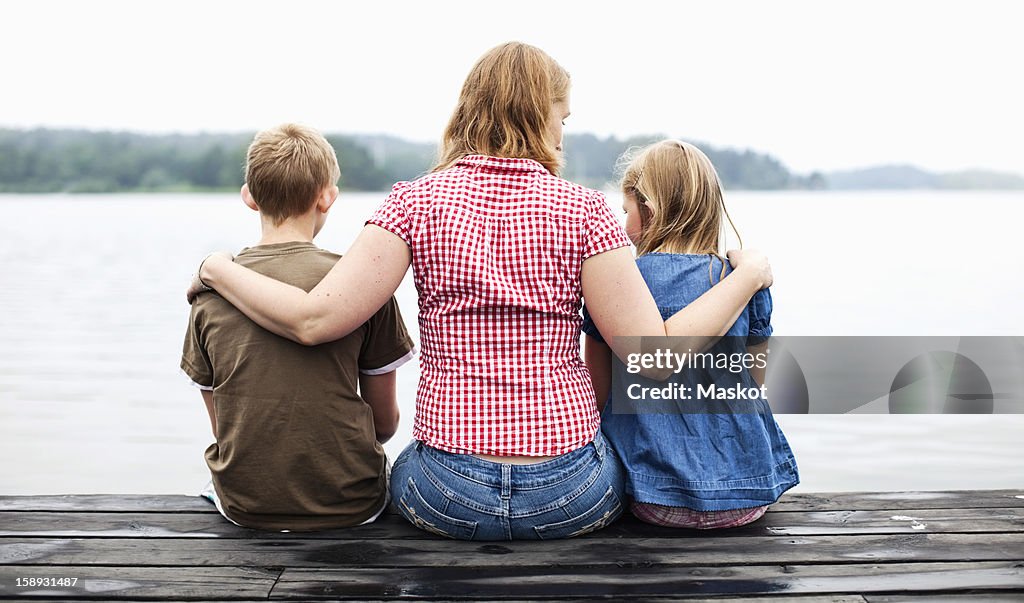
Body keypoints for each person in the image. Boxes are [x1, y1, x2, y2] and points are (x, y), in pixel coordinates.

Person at [187, 42, 773, 540]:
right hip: (570, 495)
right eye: (561, 119)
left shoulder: (412, 202)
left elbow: (314, 320)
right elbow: (656, 360)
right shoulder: (589, 213)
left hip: (446, 493)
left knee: (401, 471)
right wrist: (746, 274)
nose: (563, 135)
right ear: (537, 116)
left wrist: (218, 270)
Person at [180, 123, 414, 531]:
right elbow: (384, 424)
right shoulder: (360, 286)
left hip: (244, 503)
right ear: (328, 197)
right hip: (352, 503)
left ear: (249, 197)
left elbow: (226, 425)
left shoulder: (210, 291)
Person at [582, 139, 799, 529]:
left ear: (649, 208)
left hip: (651, 499)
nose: (622, 222)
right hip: (746, 499)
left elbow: (596, 398)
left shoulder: (619, 283)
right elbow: (752, 384)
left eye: (625, 209)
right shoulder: (743, 282)